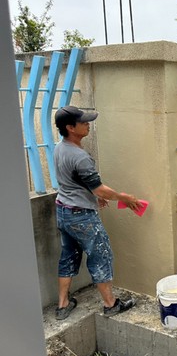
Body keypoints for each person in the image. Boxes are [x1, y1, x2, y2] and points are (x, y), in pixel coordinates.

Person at [53, 106, 143, 320]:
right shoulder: (80, 156)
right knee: (100, 256)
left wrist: (93, 195)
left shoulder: (60, 148)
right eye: (83, 122)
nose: (88, 124)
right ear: (70, 128)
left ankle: (63, 305)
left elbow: (73, 181)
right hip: (81, 216)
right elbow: (99, 188)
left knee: (69, 256)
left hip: (63, 211)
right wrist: (125, 198)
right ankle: (110, 304)